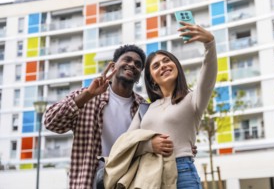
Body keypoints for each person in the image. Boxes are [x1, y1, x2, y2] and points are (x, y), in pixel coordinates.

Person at [43, 45, 175, 189]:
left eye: (138, 65)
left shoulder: (144, 108)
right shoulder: (88, 97)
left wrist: (181, 147)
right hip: (90, 182)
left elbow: (159, 142)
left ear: (139, 76)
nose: (132, 65)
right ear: (113, 66)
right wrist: (88, 94)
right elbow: (51, 122)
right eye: (127, 60)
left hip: (128, 182)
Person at [128, 22, 217, 189]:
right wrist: (149, 145)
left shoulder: (192, 99)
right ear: (152, 78)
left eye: (166, 61)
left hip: (182, 172)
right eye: (156, 66)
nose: (163, 66)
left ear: (176, 66)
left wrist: (210, 44)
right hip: (148, 176)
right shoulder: (145, 109)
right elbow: (126, 144)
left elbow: (208, 76)